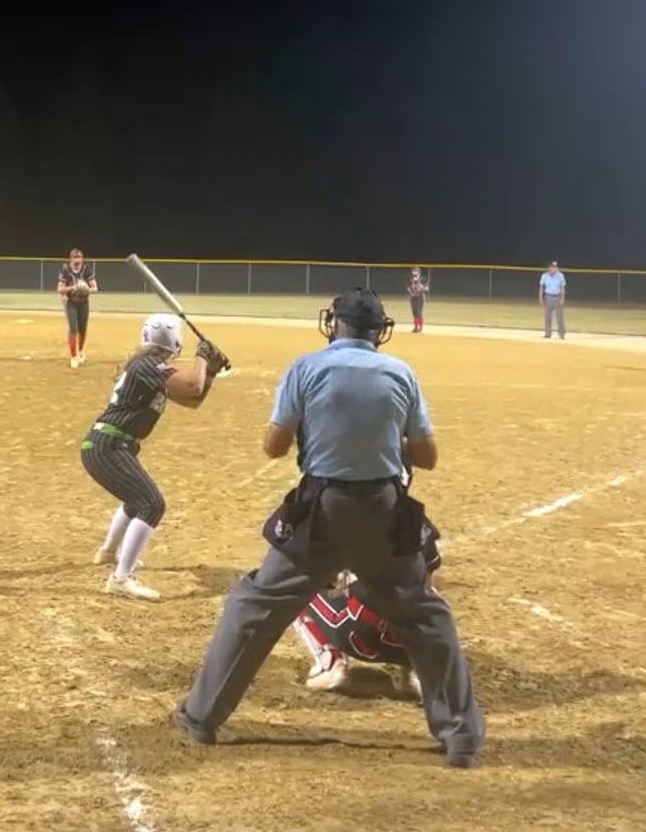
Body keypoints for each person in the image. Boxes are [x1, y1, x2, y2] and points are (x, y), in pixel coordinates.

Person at [173, 288, 482, 767]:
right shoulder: (400, 373)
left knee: (253, 605)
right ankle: (461, 737)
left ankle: (201, 716)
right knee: (426, 616)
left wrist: (316, 430)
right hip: (385, 512)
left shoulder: (306, 367)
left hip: (323, 511)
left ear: (334, 324)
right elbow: (427, 457)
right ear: (379, 331)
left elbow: (273, 446)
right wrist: (382, 441)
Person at [79, 314, 227, 601]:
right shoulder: (147, 365)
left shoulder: (147, 366)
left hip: (110, 444)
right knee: (151, 504)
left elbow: (193, 400)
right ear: (175, 342)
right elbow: (193, 387)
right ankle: (121, 579)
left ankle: (108, 553)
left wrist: (209, 371)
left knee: (136, 499)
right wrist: (201, 356)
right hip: (108, 445)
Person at [290, 517, 443, 697]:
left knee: (294, 584)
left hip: (358, 635)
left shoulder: (333, 515)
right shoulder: (416, 519)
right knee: (426, 594)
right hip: (415, 636)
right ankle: (423, 667)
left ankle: (329, 662)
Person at [57, 249, 97, 368]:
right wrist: (74, 287)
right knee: (73, 329)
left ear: (82, 259)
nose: (77, 260)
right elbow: (60, 289)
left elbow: (95, 288)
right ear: (71, 259)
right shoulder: (66, 271)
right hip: (71, 302)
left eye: (79, 257)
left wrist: (85, 289)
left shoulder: (86, 270)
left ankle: (80, 350)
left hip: (83, 303)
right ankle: (73, 356)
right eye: (75, 257)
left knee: (82, 330)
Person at [539, 262, 567, 339]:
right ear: (549, 268)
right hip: (548, 297)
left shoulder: (560, 275)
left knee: (559, 317)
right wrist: (541, 298)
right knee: (547, 317)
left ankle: (561, 334)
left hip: (557, 297)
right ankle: (547, 333)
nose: (554, 268)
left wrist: (562, 298)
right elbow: (541, 287)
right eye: (553, 267)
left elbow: (562, 288)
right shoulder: (544, 276)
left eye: (555, 267)